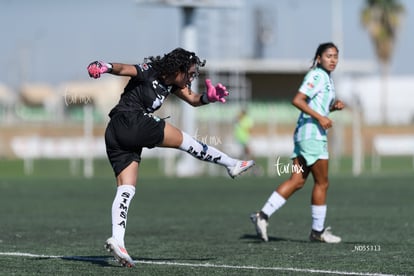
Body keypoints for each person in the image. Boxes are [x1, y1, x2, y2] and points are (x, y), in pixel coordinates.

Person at [87, 48, 255, 267]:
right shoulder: (150, 71)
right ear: (178, 68)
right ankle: (231, 163)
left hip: (117, 132)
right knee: (187, 142)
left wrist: (208, 98)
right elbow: (125, 69)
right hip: (129, 120)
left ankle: (118, 240)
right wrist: (105, 66)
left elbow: (194, 99)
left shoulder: (173, 84)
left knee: (126, 188)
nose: (191, 78)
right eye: (190, 73)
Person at [250, 42, 345, 243]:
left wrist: (332, 108)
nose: (333, 59)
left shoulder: (326, 77)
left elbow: (315, 104)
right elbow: (298, 100)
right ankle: (317, 232)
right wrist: (320, 118)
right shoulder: (317, 75)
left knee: (297, 180)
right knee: (322, 182)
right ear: (318, 58)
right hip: (312, 136)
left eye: (336, 56)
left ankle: (262, 216)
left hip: (305, 134)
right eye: (329, 56)